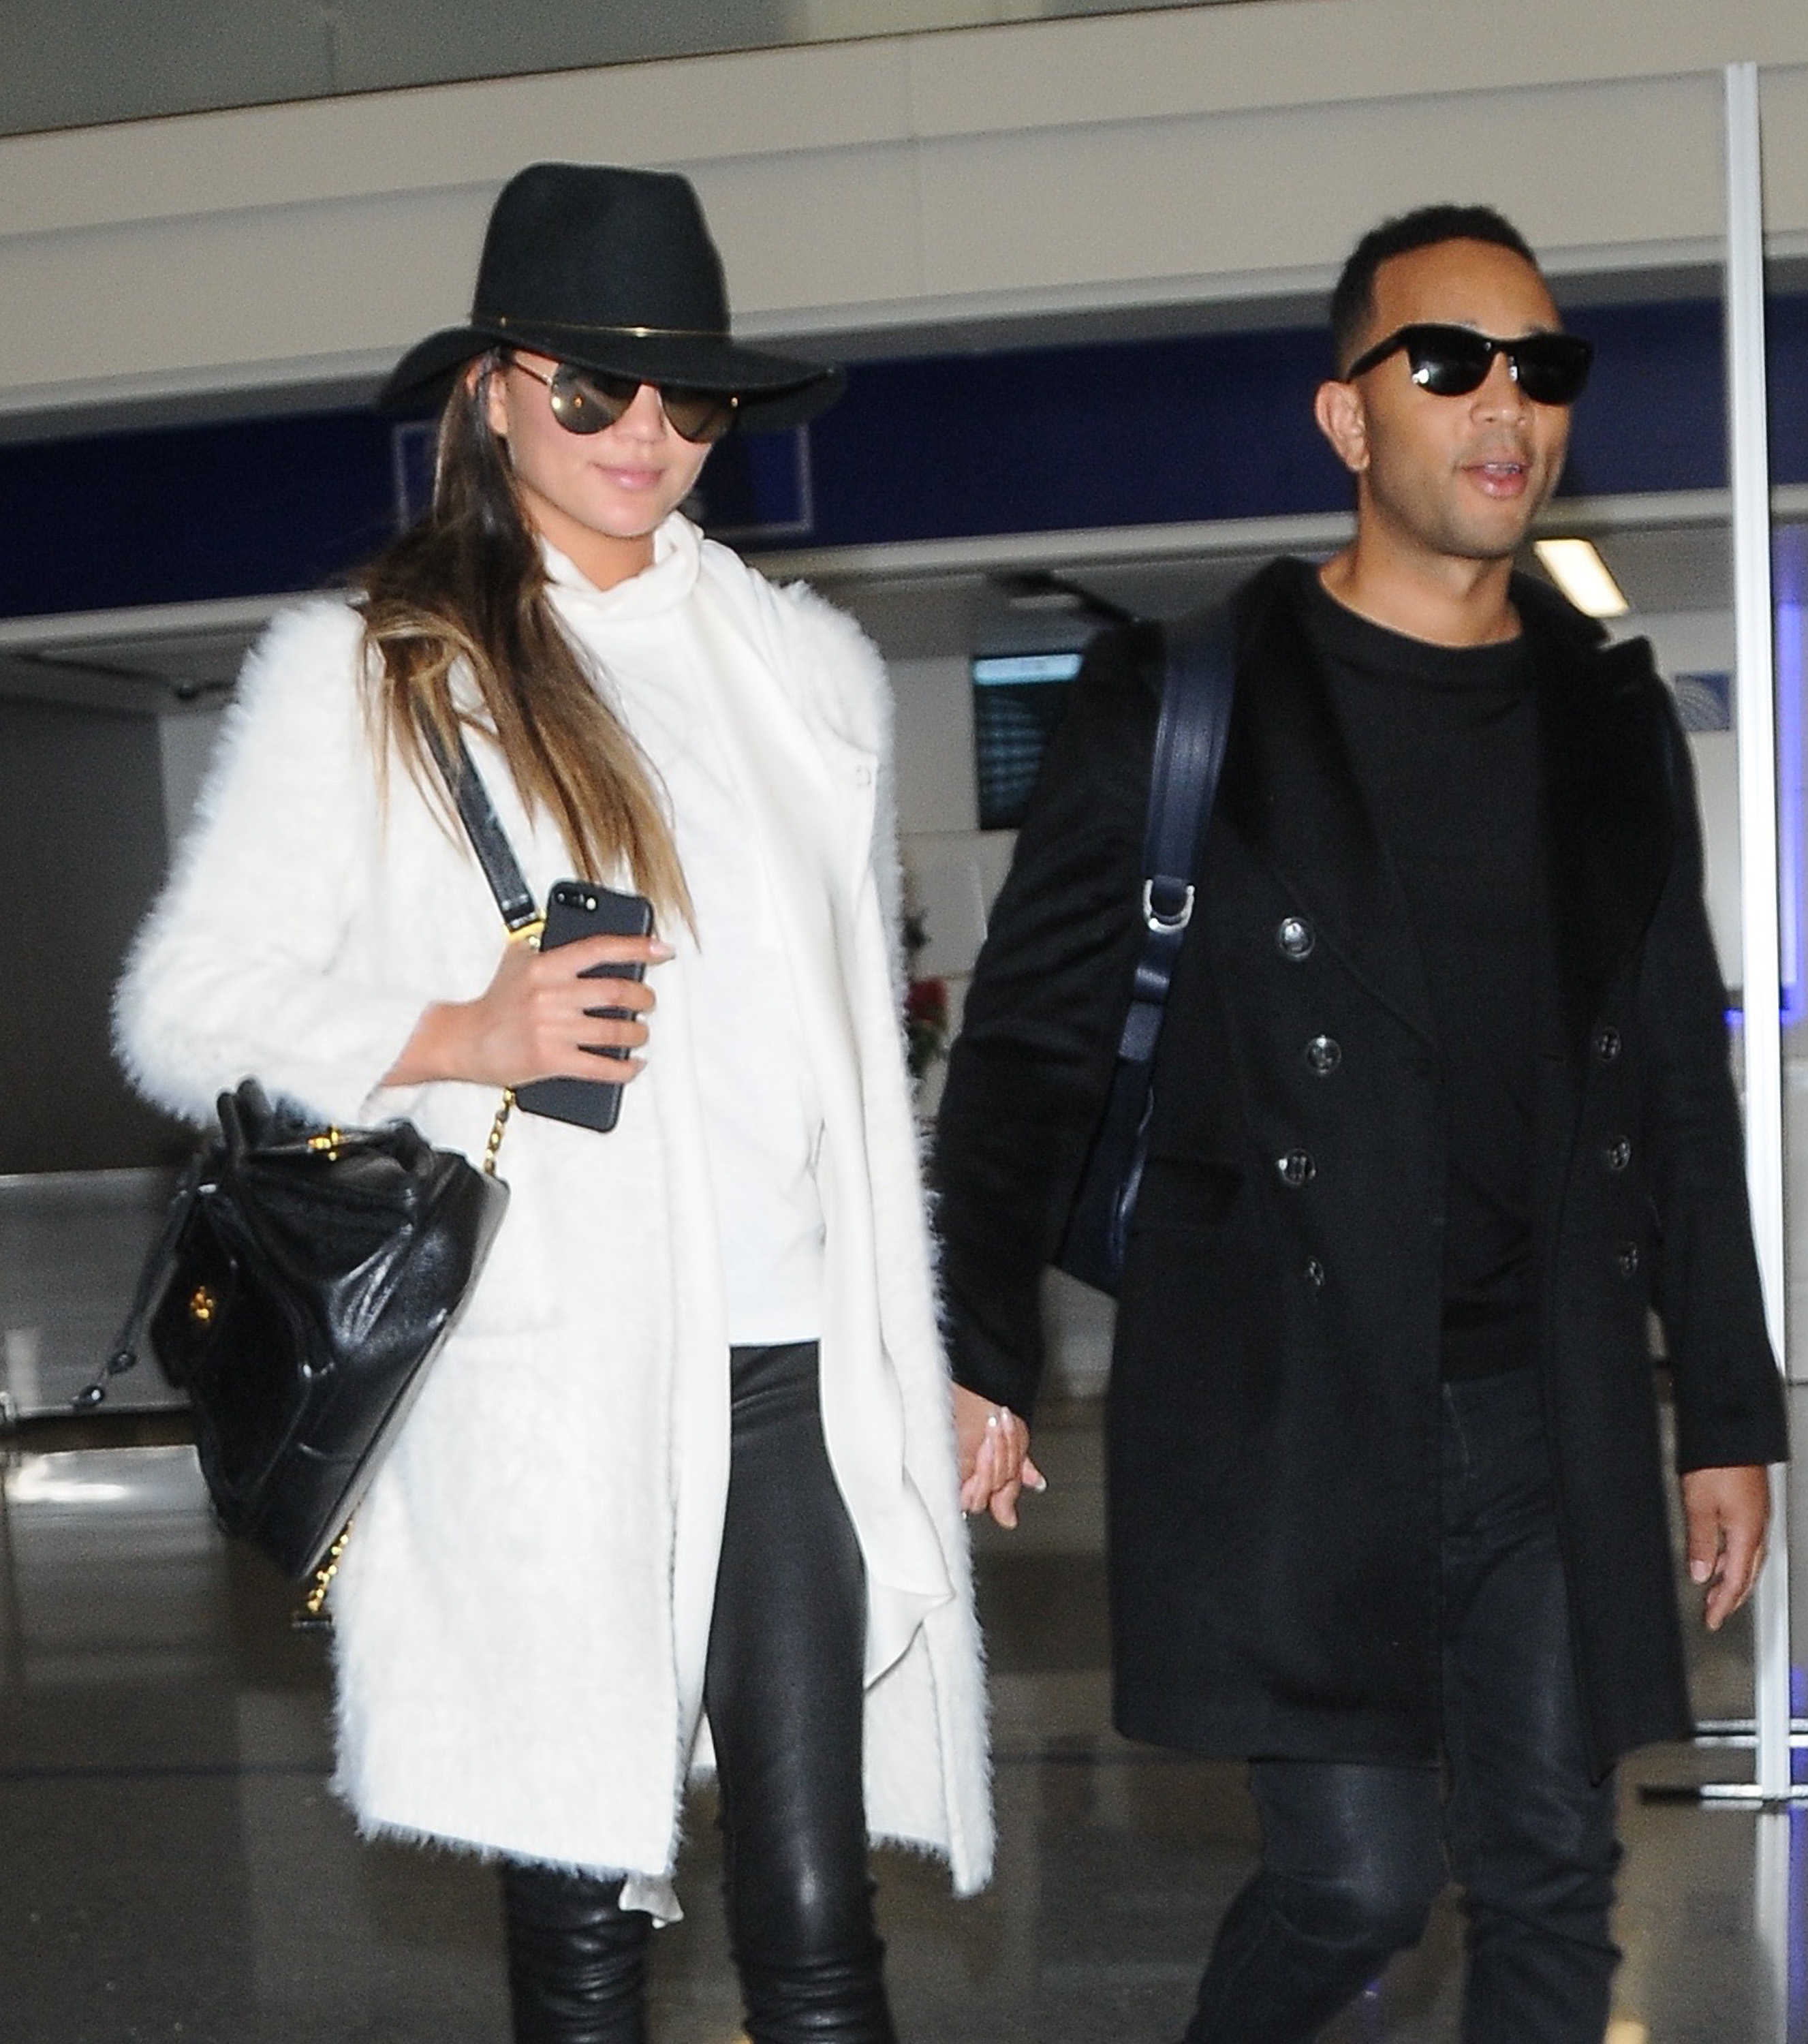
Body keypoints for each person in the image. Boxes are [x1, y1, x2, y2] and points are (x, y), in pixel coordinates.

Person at [115, 161, 1025, 2044]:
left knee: (815, 1919)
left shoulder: (807, 676)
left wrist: (928, 1348)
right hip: (554, 1380)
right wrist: (460, 1025)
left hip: (795, 1371)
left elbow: (857, 1086)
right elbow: (184, 1007)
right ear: (495, 394)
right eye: (594, 389)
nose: (645, 435)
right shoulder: (383, 673)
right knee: (587, 1926)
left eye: (687, 399)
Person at [933, 202, 1788, 2043]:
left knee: (1558, 1874)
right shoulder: (1185, 702)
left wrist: (1724, 1409)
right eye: (1451, 362)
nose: (1509, 405)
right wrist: (971, 1339)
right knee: (1358, 1884)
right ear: (1347, 420)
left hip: (1544, 1403)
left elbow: (1674, 1087)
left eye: (1543, 369)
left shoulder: (1606, 721)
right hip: (1290, 1406)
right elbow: (1029, 1052)